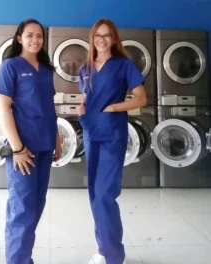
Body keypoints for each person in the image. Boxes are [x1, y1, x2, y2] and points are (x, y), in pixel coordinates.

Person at [0, 19, 62, 264]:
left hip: (45, 146)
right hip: (22, 149)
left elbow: (47, 107)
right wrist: (18, 149)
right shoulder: (10, 67)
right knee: (21, 209)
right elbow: (3, 109)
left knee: (35, 206)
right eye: (30, 35)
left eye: (40, 36)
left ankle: (24, 258)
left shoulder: (46, 70)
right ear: (19, 38)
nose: (35, 40)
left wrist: (57, 138)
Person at [78, 19, 147, 264]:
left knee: (106, 194)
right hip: (91, 132)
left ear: (114, 38)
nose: (102, 39)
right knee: (94, 194)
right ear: (92, 38)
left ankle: (114, 256)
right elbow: (86, 96)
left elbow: (141, 99)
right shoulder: (85, 68)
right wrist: (83, 110)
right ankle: (104, 249)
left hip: (112, 134)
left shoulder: (123, 65)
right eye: (98, 35)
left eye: (107, 35)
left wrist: (115, 106)